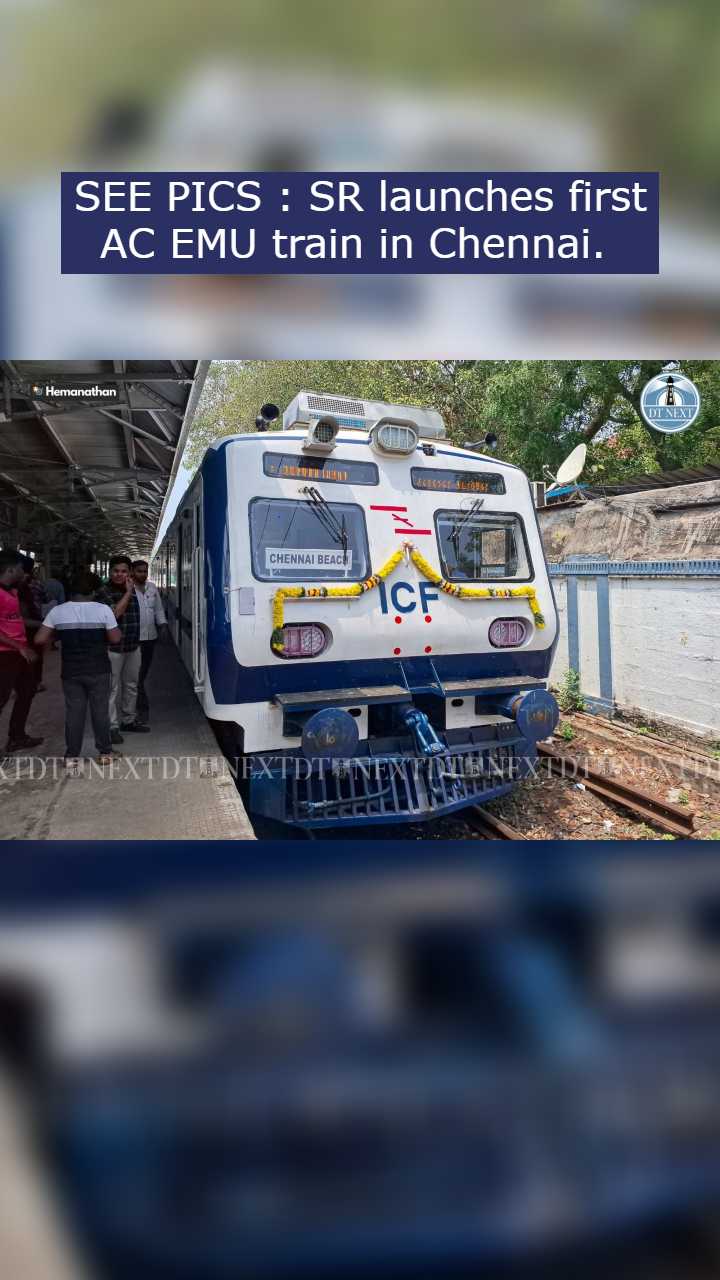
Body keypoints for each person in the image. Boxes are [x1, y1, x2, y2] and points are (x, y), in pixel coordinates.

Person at [34, 571, 122, 773]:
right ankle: (105, 753)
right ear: (94, 590)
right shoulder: (103, 610)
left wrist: (59, 633)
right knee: (100, 712)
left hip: (71, 671)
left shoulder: (58, 611)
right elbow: (115, 638)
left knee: (74, 713)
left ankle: (71, 756)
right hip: (98, 669)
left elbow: (39, 639)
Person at [95, 556, 149, 743]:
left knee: (131, 685)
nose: (119, 574)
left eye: (124, 571)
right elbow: (115, 614)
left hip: (133, 646)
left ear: (129, 573)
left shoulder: (134, 589)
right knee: (112, 688)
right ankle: (112, 727)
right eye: (116, 571)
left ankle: (129, 720)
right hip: (112, 648)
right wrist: (128, 593)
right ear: (110, 572)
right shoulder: (103, 592)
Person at [0, 550, 43, 754]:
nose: (23, 572)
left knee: (27, 691)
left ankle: (17, 737)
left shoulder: (13, 591)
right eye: (20, 568)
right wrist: (20, 647)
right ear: (10, 569)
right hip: (4, 654)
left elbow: (17, 619)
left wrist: (45, 624)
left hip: (19, 652)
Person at [131, 559, 168, 726]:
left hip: (150, 639)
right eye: (139, 571)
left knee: (141, 675)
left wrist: (163, 625)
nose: (143, 574)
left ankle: (136, 708)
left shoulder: (152, 588)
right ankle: (141, 709)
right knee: (136, 677)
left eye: (145, 571)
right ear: (132, 572)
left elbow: (158, 609)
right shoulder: (127, 589)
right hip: (133, 639)